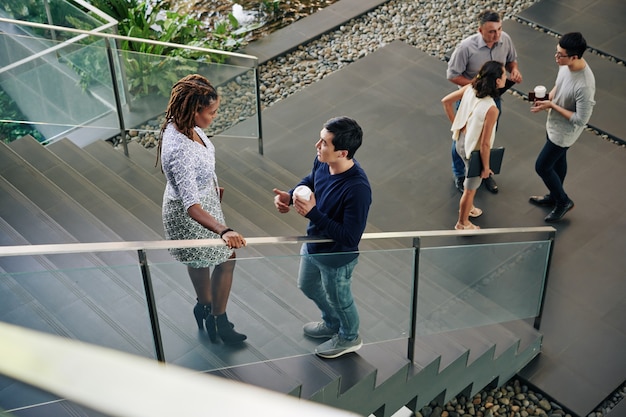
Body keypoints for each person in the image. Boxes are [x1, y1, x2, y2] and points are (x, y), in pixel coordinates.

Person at [273, 117, 372, 359]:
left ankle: (349, 337)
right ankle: (332, 323)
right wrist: (289, 195)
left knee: (341, 299)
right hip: (313, 245)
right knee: (306, 285)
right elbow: (311, 181)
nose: (317, 145)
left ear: (343, 152)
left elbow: (350, 237)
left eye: (325, 142)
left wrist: (312, 213)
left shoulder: (357, 189)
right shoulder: (322, 162)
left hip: (337, 258)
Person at [159, 74, 247, 344]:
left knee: (205, 260)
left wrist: (212, 188)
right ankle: (216, 318)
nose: (214, 117)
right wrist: (224, 229)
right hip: (191, 214)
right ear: (194, 110)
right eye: (212, 112)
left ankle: (205, 308)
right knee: (225, 258)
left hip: (204, 199)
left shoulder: (184, 124)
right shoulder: (180, 149)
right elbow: (190, 206)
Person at [446, 9, 523, 194]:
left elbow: (512, 60)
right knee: (461, 138)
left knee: (487, 137)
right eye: (491, 31)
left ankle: (484, 171)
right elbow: (452, 75)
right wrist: (477, 85)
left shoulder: (505, 39)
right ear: (480, 31)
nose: (497, 35)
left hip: (493, 98)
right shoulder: (466, 47)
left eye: (499, 29)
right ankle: (460, 174)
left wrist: (514, 70)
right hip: (470, 99)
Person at [529, 32, 595, 222]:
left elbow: (581, 120)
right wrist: (548, 97)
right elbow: (559, 84)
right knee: (557, 161)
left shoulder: (584, 86)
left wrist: (552, 106)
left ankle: (563, 201)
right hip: (553, 124)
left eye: (560, 55)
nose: (556, 57)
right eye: (556, 52)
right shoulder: (566, 65)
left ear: (574, 57)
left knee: (542, 166)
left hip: (564, 134)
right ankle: (554, 194)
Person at [442, 61, 507, 230]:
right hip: (474, 152)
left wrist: (459, 125)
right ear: (497, 81)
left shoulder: (471, 88)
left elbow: (446, 101)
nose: (506, 76)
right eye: (504, 74)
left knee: (467, 180)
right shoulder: (492, 109)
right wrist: (486, 168)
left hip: (461, 142)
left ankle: (468, 208)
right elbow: (485, 144)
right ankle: (462, 222)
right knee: (470, 189)